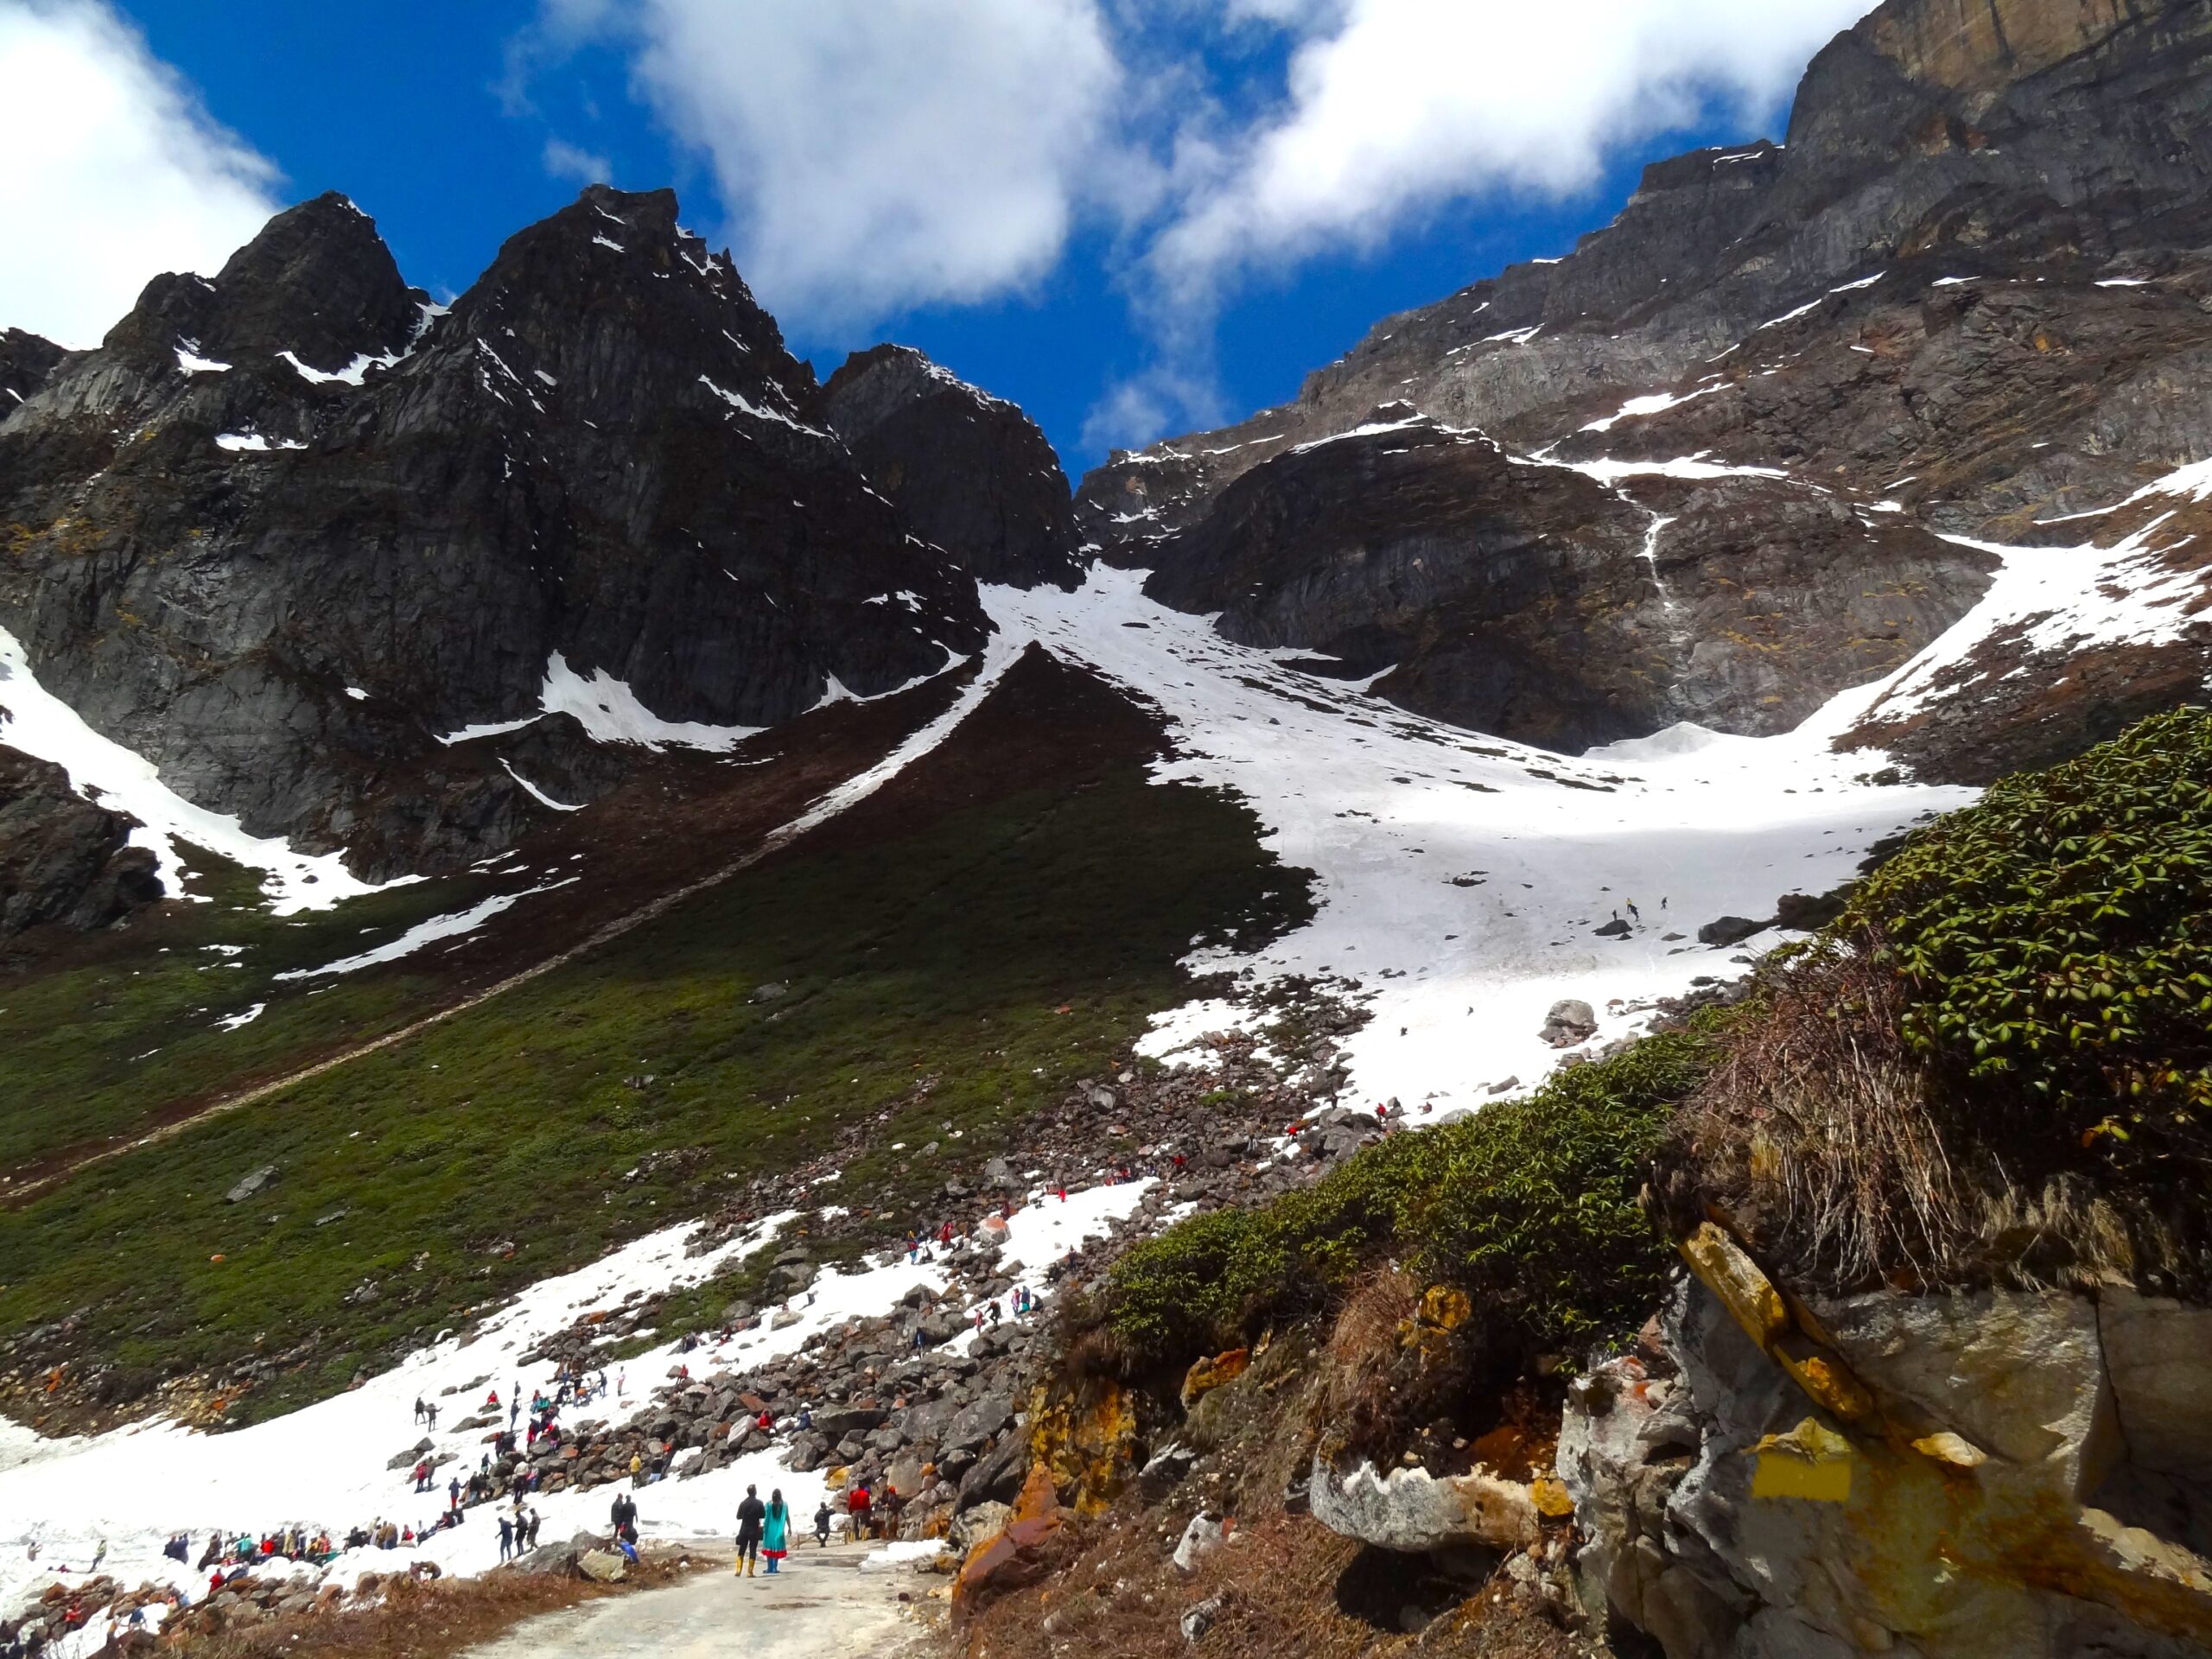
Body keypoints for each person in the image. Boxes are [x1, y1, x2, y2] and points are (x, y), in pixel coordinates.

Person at [734, 1485, 765, 1577]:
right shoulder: (759, 1503)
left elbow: (738, 1516)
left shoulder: (743, 1503)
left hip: (744, 1529)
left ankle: (738, 1570)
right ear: (755, 1492)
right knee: (752, 1549)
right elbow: (763, 1515)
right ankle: (749, 1572)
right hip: (754, 1530)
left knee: (742, 1549)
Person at [761, 1490, 790, 1575]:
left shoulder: (768, 1505)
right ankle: (774, 1568)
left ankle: (769, 1568)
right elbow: (787, 1517)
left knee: (769, 1549)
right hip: (778, 1530)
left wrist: (763, 1526)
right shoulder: (784, 1505)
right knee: (776, 1548)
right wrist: (790, 1527)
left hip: (769, 1529)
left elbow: (764, 1516)